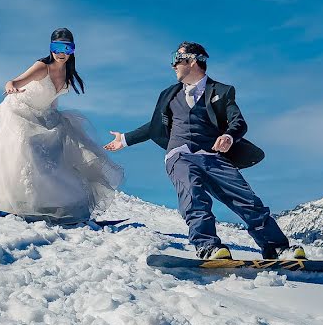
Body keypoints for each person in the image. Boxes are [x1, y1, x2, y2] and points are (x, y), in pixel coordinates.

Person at [104, 42, 304, 260]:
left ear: (192, 61)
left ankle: (275, 246)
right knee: (193, 193)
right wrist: (124, 139)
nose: (173, 65)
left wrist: (228, 136)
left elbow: (238, 121)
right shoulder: (168, 95)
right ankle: (207, 246)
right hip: (179, 155)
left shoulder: (221, 91)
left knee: (246, 199)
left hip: (213, 157)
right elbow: (154, 127)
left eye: (176, 59)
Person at [0, 28, 123, 225]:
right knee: (24, 147)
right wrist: (10, 87)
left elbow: (51, 98)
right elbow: (15, 80)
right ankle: (16, 200)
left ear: (72, 51)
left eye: (67, 48)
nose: (61, 53)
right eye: (57, 47)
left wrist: (52, 115)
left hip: (43, 114)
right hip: (19, 110)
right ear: (51, 48)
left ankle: (49, 203)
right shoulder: (42, 67)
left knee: (60, 153)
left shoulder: (68, 72)